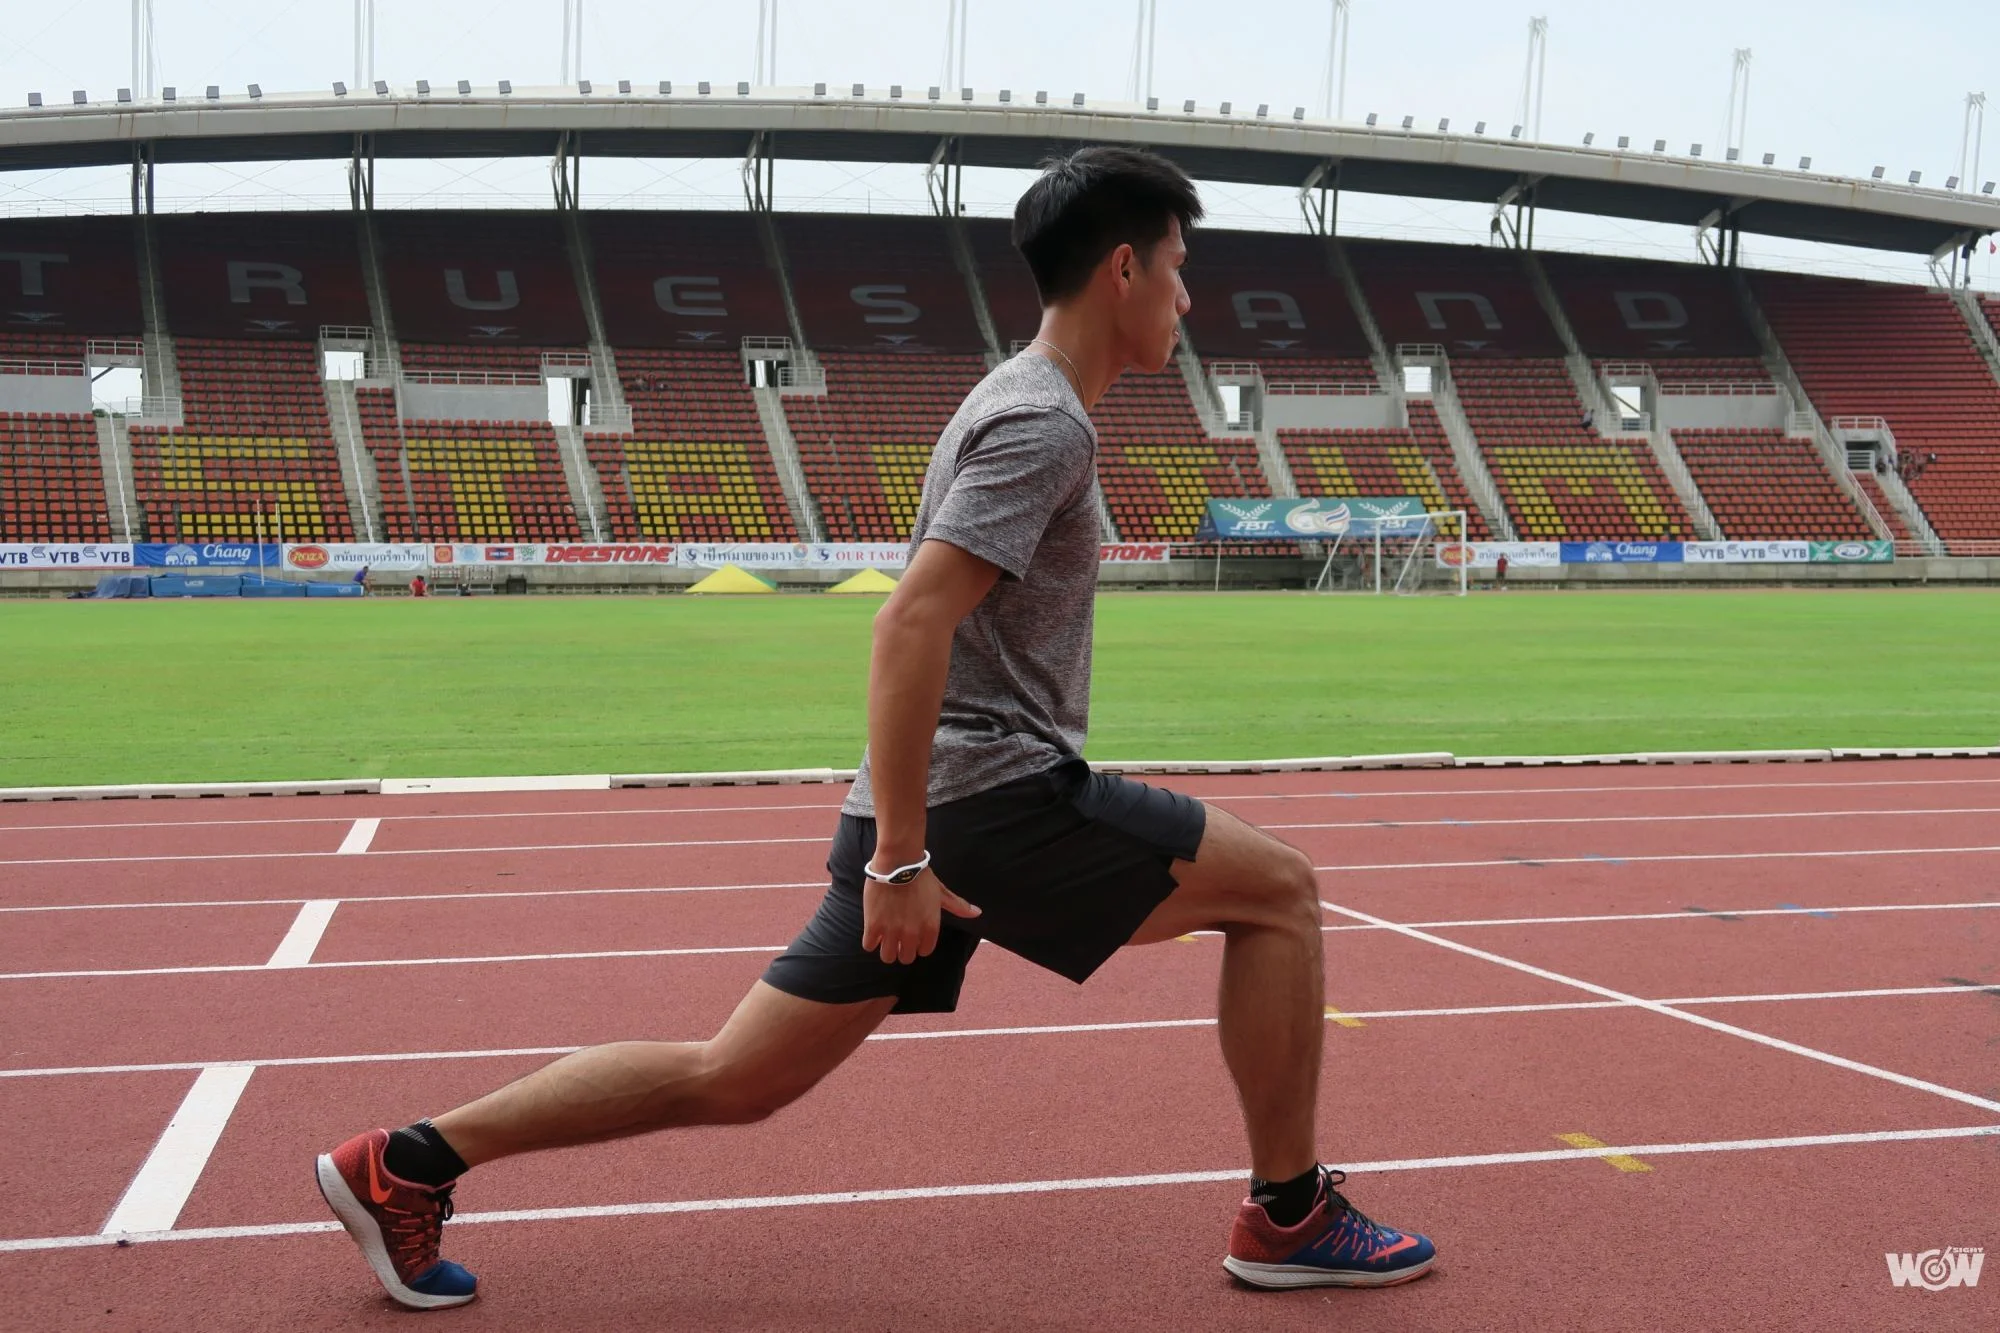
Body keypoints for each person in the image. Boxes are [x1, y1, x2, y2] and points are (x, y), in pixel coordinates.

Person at [312, 146, 1437, 1311]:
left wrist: (898, 839)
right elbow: (909, 622)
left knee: (734, 1075)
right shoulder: (1043, 421)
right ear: (1121, 268)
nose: (1186, 299)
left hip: (936, 804)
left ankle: (405, 1160)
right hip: (985, 804)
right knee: (1279, 892)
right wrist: (903, 855)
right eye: (1179, 268)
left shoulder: (1012, 397)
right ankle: (1288, 1211)